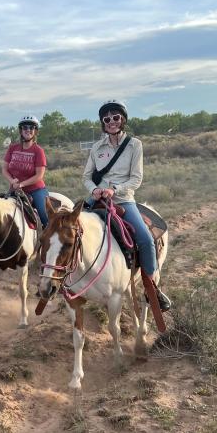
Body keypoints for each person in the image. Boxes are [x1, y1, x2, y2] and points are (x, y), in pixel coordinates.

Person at [82, 100, 171, 312]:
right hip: (98, 199)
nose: (112, 122)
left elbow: (136, 178)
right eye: (107, 119)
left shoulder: (134, 145)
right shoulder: (97, 148)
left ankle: (152, 288)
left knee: (146, 239)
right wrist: (93, 189)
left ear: (123, 120)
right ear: (103, 123)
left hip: (123, 199)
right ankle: (68, 280)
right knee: (70, 231)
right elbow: (86, 177)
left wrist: (116, 189)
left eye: (116, 118)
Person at [2, 115, 50, 228]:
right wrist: (12, 181)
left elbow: (39, 175)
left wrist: (21, 184)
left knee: (43, 213)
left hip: (36, 190)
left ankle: (48, 234)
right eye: (25, 127)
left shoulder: (38, 151)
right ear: (21, 130)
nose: (28, 130)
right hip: (15, 189)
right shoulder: (12, 148)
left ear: (35, 131)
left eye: (31, 127)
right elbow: (4, 169)